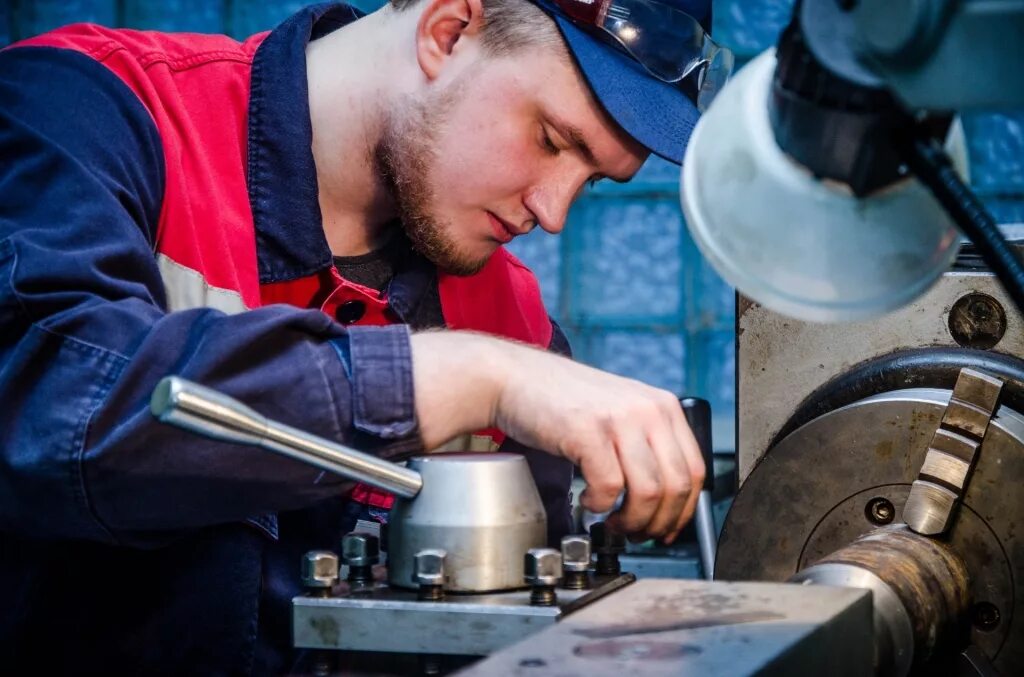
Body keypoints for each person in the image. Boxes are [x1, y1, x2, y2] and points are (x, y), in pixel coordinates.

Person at [0, 0, 725, 673]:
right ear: (449, 30)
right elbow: (61, 413)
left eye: (591, 180)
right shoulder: (86, 112)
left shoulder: (514, 320)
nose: (554, 209)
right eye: (551, 140)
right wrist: (462, 379)